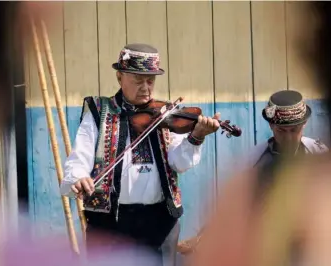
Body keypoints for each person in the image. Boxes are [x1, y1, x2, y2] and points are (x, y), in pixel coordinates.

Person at [60, 43, 220, 266]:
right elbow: (79, 158)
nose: (146, 87)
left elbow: (179, 162)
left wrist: (197, 137)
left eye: (151, 80)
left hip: (159, 223)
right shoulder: (99, 111)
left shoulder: (166, 114)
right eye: (138, 80)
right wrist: (78, 178)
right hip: (109, 223)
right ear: (120, 77)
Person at [247, 90, 328, 171]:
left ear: (304, 123)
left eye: (294, 130)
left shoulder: (319, 152)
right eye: (281, 130)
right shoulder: (254, 160)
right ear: (271, 125)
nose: (288, 138)